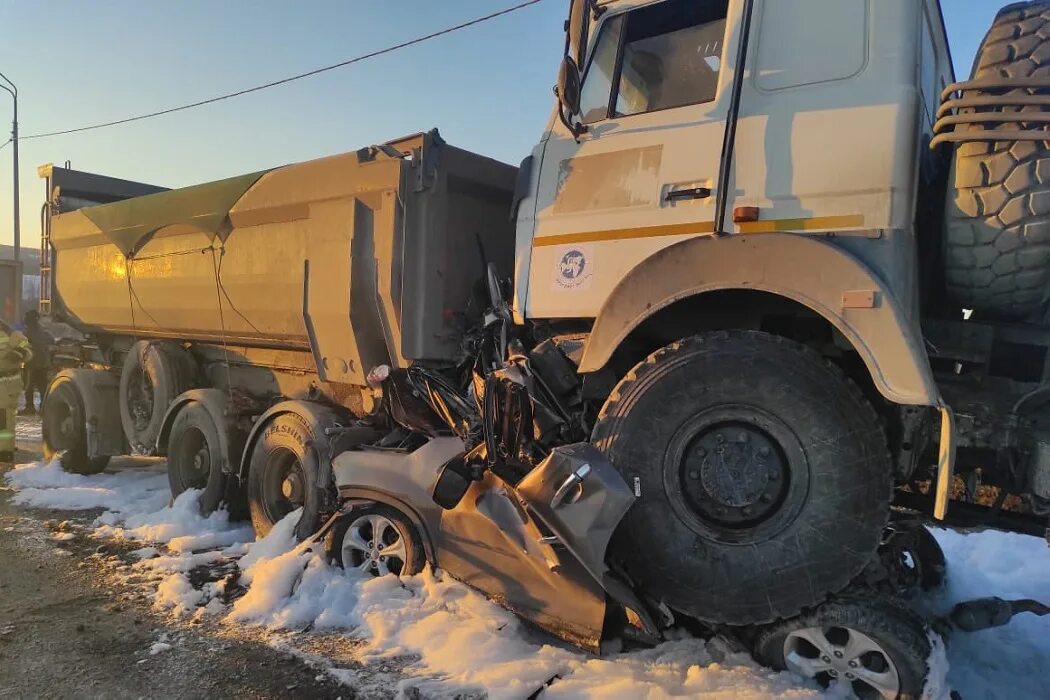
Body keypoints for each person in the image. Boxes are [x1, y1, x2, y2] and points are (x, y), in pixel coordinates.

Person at [0, 320, 31, 462]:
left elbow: (28, 351)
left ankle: (5, 451)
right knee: (6, 420)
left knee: (5, 420)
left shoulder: (15, 335)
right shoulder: (13, 335)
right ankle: (5, 450)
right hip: (10, 384)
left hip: (8, 384)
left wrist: (20, 353)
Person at [20, 310, 54, 416]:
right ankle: (43, 408)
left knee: (29, 387)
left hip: (31, 364)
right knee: (42, 387)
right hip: (43, 364)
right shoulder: (43, 331)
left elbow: (20, 347)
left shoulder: (27, 333)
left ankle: (30, 408)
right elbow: (52, 341)